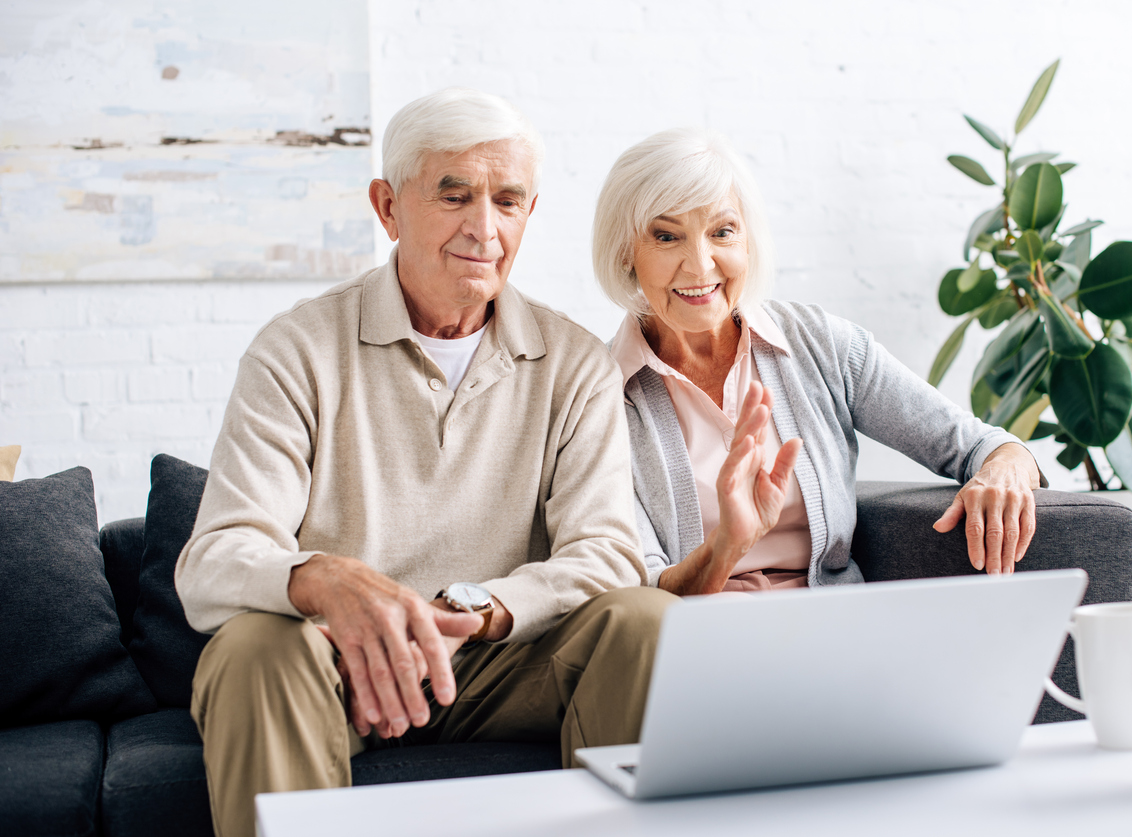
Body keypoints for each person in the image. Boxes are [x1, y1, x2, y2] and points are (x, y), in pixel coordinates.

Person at [175, 89, 675, 837]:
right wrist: (323, 577)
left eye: (507, 200)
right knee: (250, 648)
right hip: (338, 669)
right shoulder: (296, 349)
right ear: (387, 207)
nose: (484, 226)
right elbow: (214, 561)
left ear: (528, 215)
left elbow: (607, 555)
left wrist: (471, 612)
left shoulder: (573, 362)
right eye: (454, 194)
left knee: (646, 620)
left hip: (506, 658)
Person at [592, 128, 1044, 596]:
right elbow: (639, 593)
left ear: (747, 239)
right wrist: (726, 547)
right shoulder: (596, 398)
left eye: (722, 231)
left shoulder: (822, 344)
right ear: (627, 250)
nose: (700, 265)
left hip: (835, 634)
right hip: (698, 642)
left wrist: (1002, 469)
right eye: (667, 237)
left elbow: (981, 445)